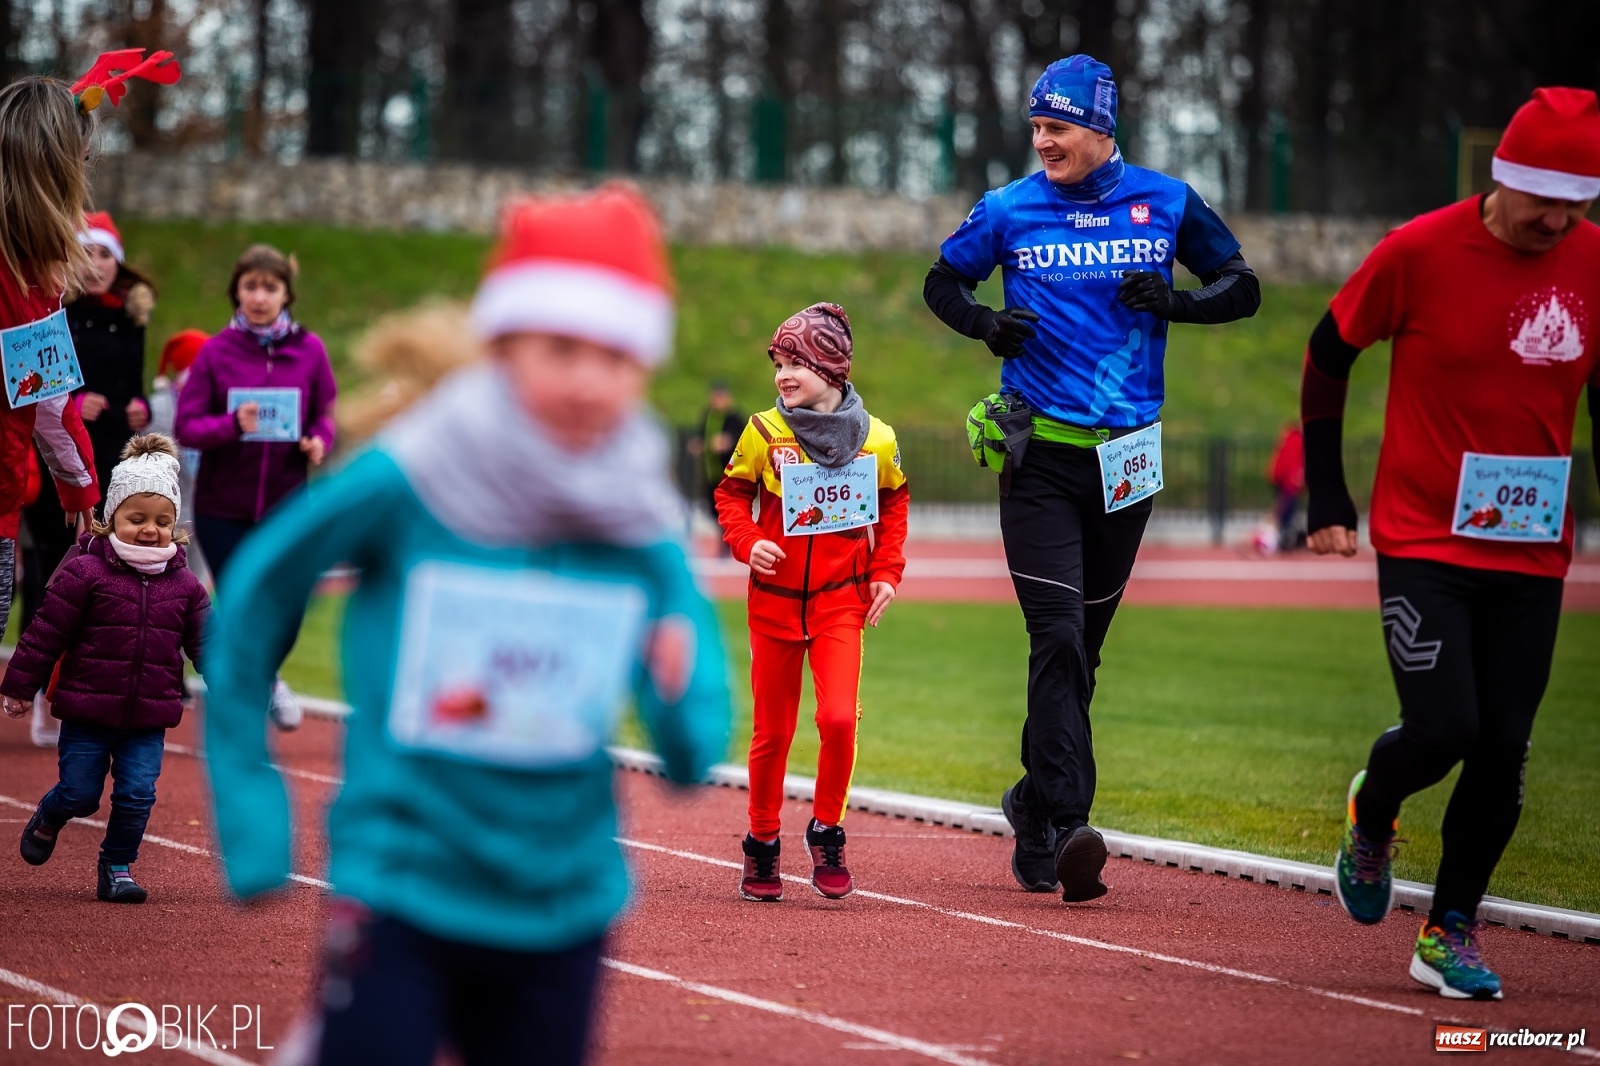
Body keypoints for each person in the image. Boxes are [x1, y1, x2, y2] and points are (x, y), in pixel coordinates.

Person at [202, 186, 731, 1066]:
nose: (588, 379)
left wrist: (680, 710)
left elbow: (687, 708)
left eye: (617, 357)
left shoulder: (633, 511)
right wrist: (253, 806)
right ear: (503, 345)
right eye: (561, 349)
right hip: (403, 885)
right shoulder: (416, 477)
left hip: (564, 902)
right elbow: (257, 589)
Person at [923, 54, 1261, 902]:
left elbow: (1242, 286)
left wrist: (1177, 303)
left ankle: (1032, 807)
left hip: (1128, 460)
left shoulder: (1167, 201)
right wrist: (986, 324)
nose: (1043, 141)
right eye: (1036, 127)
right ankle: (1072, 825)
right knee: (1060, 637)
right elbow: (941, 280)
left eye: (1058, 127)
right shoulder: (1008, 208)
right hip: (1038, 454)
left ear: (1101, 129)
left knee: (1085, 654)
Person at [1306, 87, 1600, 1001]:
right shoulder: (1420, 252)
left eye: (1577, 200)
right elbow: (1328, 350)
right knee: (1445, 729)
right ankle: (1375, 808)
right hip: (1425, 536)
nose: (1557, 217)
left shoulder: (1593, 261)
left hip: (1533, 548)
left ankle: (1449, 929)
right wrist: (1329, 493)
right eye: (1542, 197)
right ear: (1501, 176)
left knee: (1504, 748)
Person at [714, 303, 908, 902]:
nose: (783, 374)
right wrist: (749, 543)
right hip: (772, 605)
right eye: (778, 362)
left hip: (839, 603)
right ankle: (762, 843)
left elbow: (895, 504)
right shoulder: (763, 432)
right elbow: (729, 495)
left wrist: (886, 571)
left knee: (837, 719)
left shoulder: (877, 439)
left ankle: (827, 829)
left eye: (796, 361)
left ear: (831, 367)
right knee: (772, 732)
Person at [4, 435, 209, 904]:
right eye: (136, 519)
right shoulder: (86, 572)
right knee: (81, 794)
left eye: (162, 521)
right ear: (111, 515)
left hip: (148, 717)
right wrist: (20, 686)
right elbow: (44, 632)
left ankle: (117, 866)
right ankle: (52, 814)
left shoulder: (185, 585)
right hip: (87, 711)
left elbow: (209, 645)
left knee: (137, 796)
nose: (149, 530)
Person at [174, 244, 336, 730]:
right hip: (224, 506)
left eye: (270, 287)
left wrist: (317, 443)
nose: (260, 296)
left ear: (287, 294)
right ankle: (244, 691)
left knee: (287, 603)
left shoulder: (309, 350)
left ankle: (260, 677)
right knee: (240, 600)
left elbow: (324, 414)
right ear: (236, 292)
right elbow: (188, 425)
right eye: (251, 286)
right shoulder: (216, 352)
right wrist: (231, 425)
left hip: (286, 505)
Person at [687, 381, 743, 543]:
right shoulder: (708, 415)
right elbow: (702, 436)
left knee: (728, 509)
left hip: (729, 474)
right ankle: (723, 540)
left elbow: (741, 439)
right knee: (713, 510)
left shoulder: (735, 418)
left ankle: (729, 542)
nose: (717, 401)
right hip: (710, 473)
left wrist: (728, 442)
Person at [1257, 422, 1305, 554]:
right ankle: (1282, 540)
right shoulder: (1296, 439)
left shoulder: (1290, 436)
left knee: (1284, 510)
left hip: (1281, 477)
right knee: (1286, 511)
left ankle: (1283, 538)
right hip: (1287, 479)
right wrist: (1293, 481)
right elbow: (1292, 463)